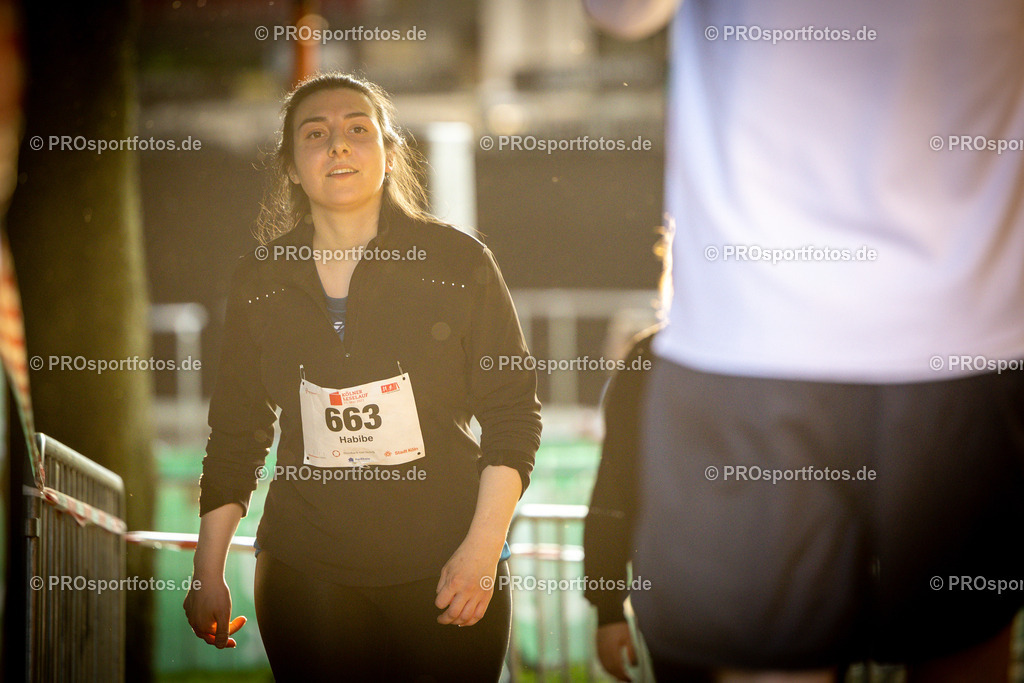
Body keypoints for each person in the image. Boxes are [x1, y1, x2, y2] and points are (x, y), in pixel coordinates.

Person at [584, 1, 1024, 681]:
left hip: (760, 329)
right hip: (964, 322)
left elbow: (619, 12)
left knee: (778, 661)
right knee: (959, 647)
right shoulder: (642, 358)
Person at [182, 72, 542, 682]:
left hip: (446, 560)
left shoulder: (458, 261)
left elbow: (512, 414)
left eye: (357, 130)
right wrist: (207, 571)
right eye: (315, 134)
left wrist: (482, 552)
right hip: (306, 571)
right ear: (292, 166)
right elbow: (236, 432)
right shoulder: (259, 280)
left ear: (389, 151)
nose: (338, 146)